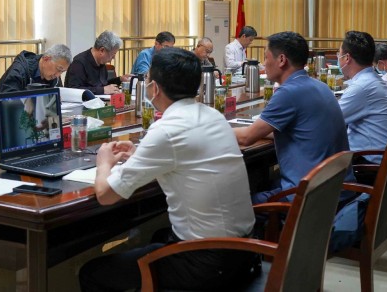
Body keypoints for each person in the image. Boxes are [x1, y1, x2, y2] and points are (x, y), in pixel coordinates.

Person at [79, 48, 256, 291]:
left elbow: (105, 195)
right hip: (244, 250)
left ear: (155, 88)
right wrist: (141, 154)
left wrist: (103, 164)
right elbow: (185, 155)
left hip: (207, 262)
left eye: (148, 78)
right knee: (158, 236)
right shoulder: (213, 115)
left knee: (92, 273)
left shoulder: (166, 130)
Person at [235, 32, 352, 203]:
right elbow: (299, 131)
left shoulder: (288, 92)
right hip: (335, 189)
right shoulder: (320, 86)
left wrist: (216, 127)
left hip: (309, 199)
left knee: (238, 204)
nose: (264, 64)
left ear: (281, 60)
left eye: (266, 57)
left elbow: (246, 138)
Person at [338, 31, 387, 163]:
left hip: (369, 163)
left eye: (339, 54)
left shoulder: (362, 86)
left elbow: (329, 121)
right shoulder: (371, 79)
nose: (338, 58)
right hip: (385, 158)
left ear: (347, 58)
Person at [65, 30, 129, 95]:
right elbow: (74, 89)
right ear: (102, 50)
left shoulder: (101, 62)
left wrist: (120, 79)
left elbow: (103, 85)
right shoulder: (79, 62)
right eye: (113, 54)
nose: (113, 58)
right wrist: (102, 90)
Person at [0, 44, 71, 94]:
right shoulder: (20, 69)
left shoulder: (54, 76)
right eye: (58, 69)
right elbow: (8, 98)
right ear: (46, 58)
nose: (58, 75)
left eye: (62, 71)